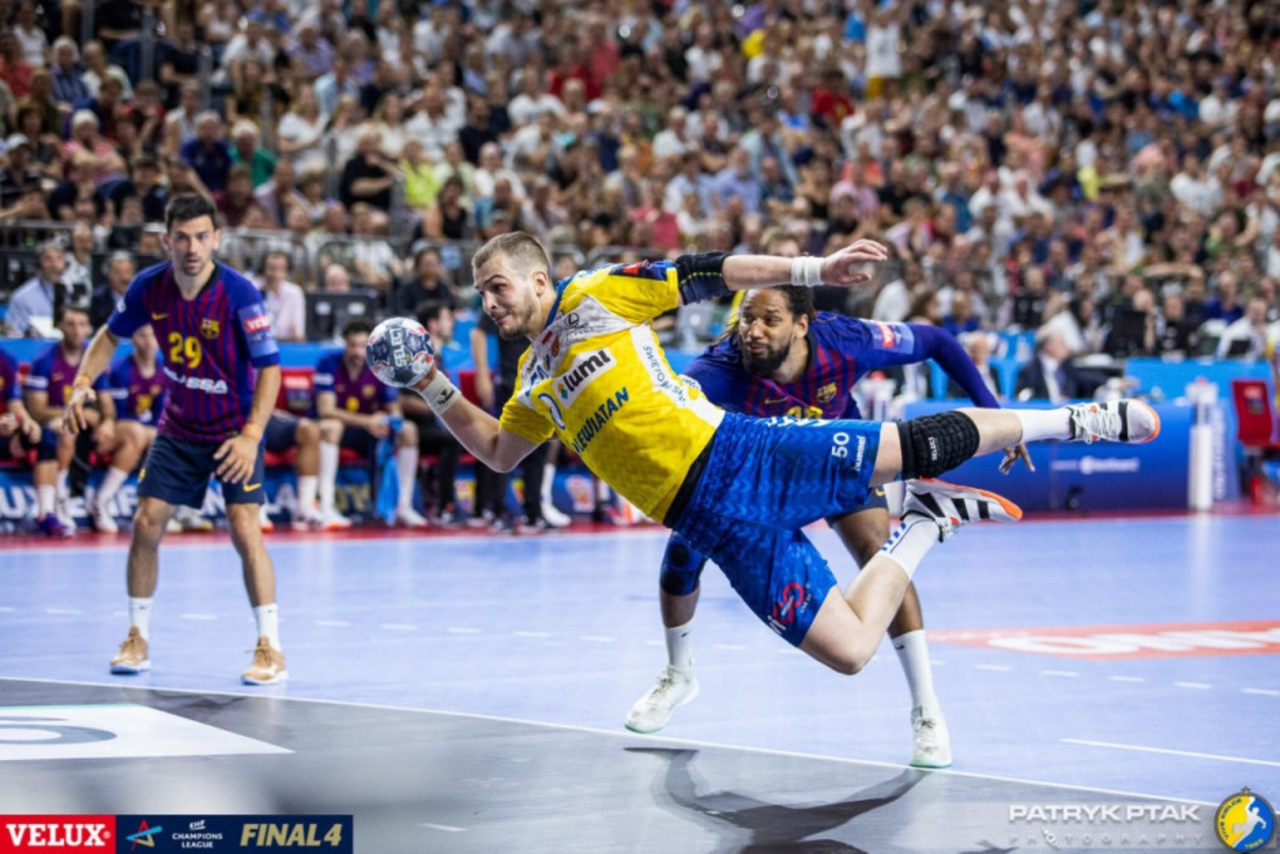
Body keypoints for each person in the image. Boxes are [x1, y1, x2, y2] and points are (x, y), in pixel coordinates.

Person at [391, 232, 1160, 723]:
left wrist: (815, 270)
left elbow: (711, 271)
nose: (487, 302)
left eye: (497, 286)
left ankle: (1075, 421)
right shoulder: (533, 381)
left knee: (908, 445)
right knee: (851, 650)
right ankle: (924, 524)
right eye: (480, 292)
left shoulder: (596, 294)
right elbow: (498, 450)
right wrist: (430, 382)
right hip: (712, 523)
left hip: (739, 454)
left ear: (537, 279)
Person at [624, 281, 1024, 767]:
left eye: (769, 320)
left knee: (880, 553)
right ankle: (679, 672)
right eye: (747, 319)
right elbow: (665, 420)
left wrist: (996, 414)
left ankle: (927, 710)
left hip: (837, 456)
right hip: (760, 476)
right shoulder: (717, 370)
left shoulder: (848, 340)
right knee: (684, 550)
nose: (753, 331)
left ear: (802, 325)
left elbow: (937, 341)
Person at [65, 193, 288, 686]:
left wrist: (252, 435)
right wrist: (82, 383)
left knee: (244, 527)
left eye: (202, 236)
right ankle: (136, 637)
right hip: (179, 428)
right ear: (166, 241)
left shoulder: (239, 293)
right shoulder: (150, 287)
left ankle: (270, 647)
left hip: (234, 431)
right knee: (146, 522)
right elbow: (109, 335)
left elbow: (270, 369)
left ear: (217, 239)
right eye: (182, 238)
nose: (192, 247)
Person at [314, 318, 427, 529]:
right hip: (344, 428)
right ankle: (326, 507)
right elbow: (325, 410)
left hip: (372, 430)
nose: (357, 352)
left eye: (362, 346)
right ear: (344, 343)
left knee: (408, 430)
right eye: (352, 346)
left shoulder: (382, 365)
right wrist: (367, 421)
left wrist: (390, 422)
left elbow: (394, 408)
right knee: (332, 427)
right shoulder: (328, 362)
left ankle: (403, 507)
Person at [23, 305, 110, 537]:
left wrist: (106, 421)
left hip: (86, 426)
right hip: (52, 424)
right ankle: (60, 497)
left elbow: (106, 406)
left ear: (90, 328)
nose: (76, 330)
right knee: (66, 429)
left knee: (131, 435)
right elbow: (36, 410)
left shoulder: (93, 361)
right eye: (70, 324)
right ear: (60, 326)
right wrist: (71, 412)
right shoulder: (44, 361)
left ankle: (101, 501)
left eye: (82, 325)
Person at [91, 325, 167, 533]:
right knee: (136, 433)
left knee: (169, 439)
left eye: (153, 335)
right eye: (142, 336)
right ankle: (102, 500)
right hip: (113, 429)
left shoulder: (162, 370)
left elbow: (161, 413)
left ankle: (163, 507)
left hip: (143, 428)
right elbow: (118, 413)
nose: (149, 342)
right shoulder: (121, 370)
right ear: (133, 339)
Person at [400, 301, 465, 524]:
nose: (452, 323)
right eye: (447, 318)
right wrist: (439, 408)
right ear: (433, 324)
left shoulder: (442, 357)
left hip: (440, 426)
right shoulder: (411, 359)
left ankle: (486, 507)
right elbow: (404, 401)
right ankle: (445, 505)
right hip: (417, 428)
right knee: (451, 440)